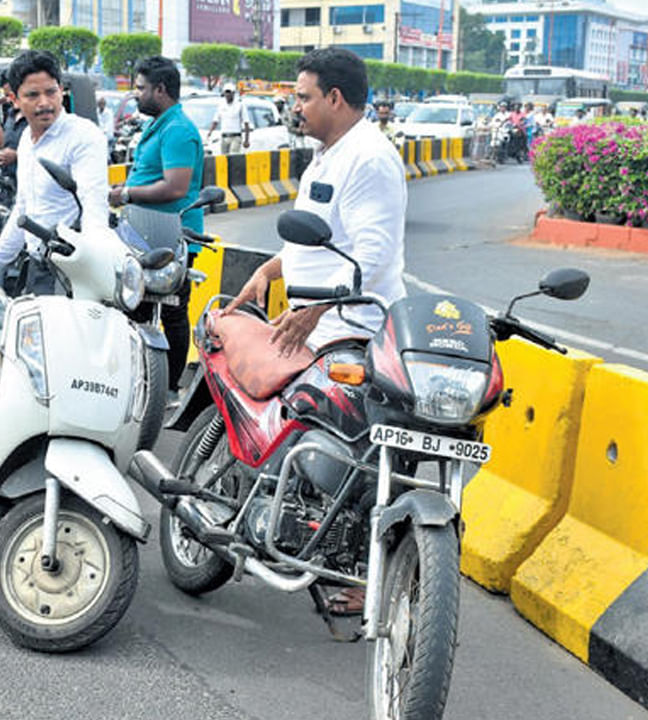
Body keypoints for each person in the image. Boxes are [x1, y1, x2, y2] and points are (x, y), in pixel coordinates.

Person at [226, 48, 406, 618]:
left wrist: (315, 308)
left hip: (350, 328)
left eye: (304, 96)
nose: (296, 106)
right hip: (318, 323)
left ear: (334, 97)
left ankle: (368, 577)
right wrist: (268, 271)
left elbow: (372, 252)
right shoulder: (329, 157)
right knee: (298, 430)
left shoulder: (369, 159)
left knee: (354, 460)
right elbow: (314, 240)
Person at [0, 50, 108, 295]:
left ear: (61, 90)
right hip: (38, 268)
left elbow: (94, 204)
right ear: (13, 99)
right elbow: (23, 213)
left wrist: (93, 260)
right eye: (33, 95)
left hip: (74, 272)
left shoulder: (83, 135)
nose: (44, 102)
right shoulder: (26, 140)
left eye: (51, 92)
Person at [107, 55, 204, 391]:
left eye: (141, 88)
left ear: (160, 90)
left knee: (173, 313)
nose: (136, 95)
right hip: (145, 231)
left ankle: (170, 386)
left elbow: (176, 186)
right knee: (135, 307)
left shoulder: (178, 130)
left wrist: (128, 194)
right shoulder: (158, 123)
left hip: (171, 235)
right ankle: (140, 380)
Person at [207, 83, 250, 154]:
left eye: (229, 92)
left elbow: (246, 122)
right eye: (226, 93)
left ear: (233, 93)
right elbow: (216, 120)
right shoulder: (221, 105)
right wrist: (210, 133)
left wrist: (246, 139)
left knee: (233, 156)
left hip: (235, 136)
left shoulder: (240, 105)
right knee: (223, 159)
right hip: (224, 136)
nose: (227, 95)